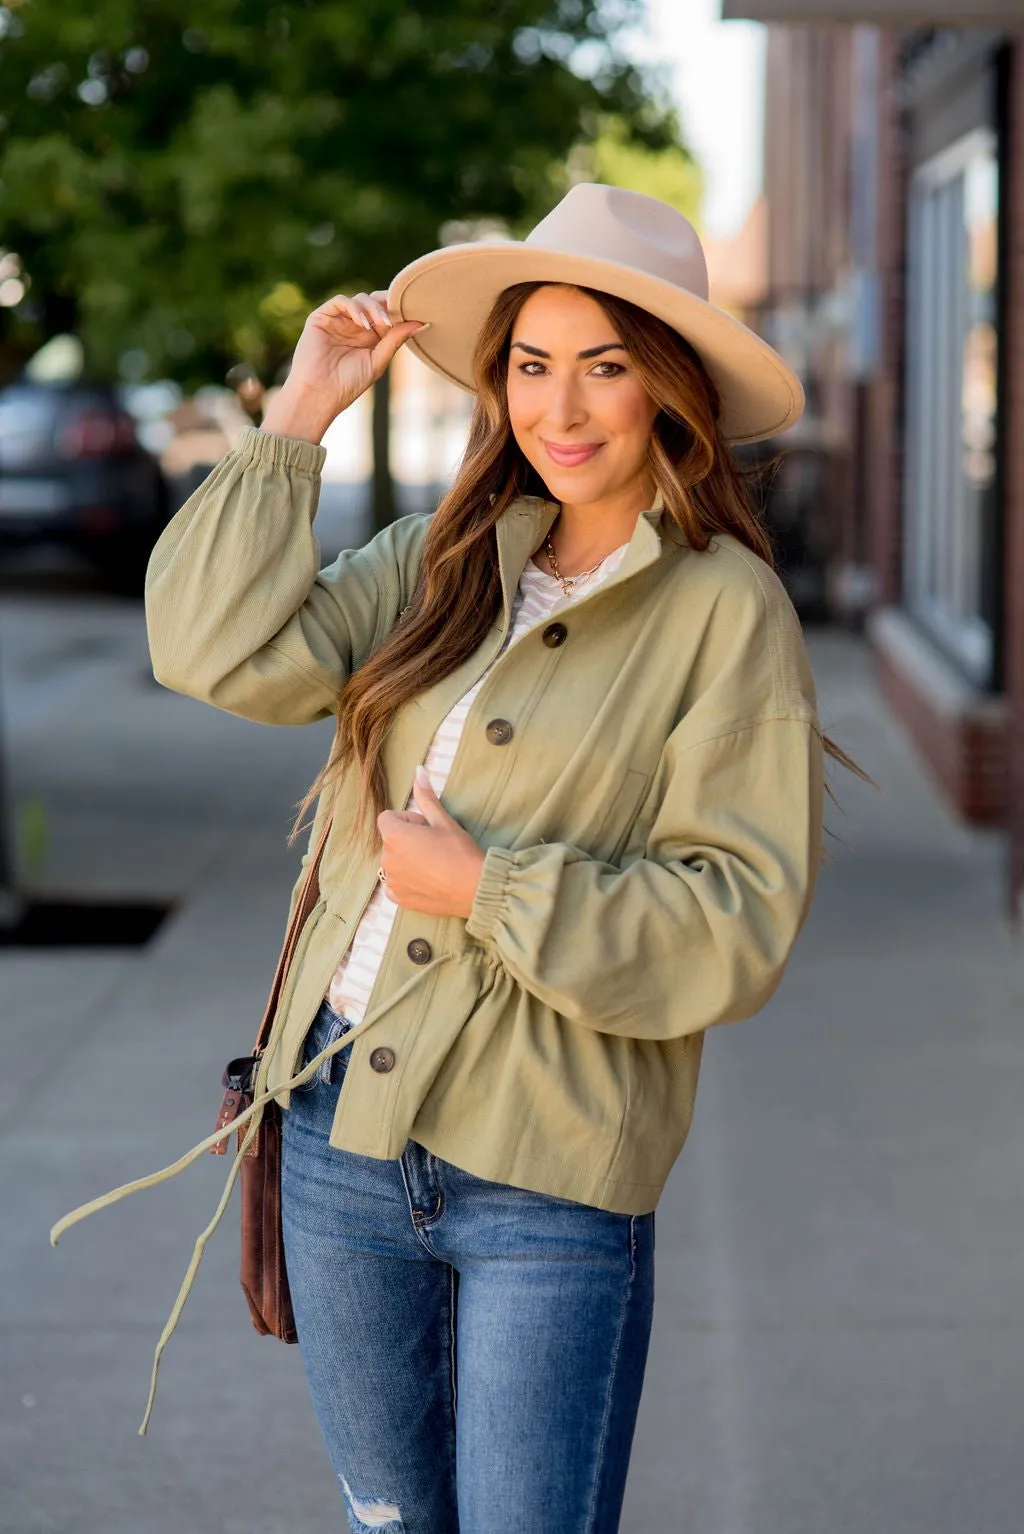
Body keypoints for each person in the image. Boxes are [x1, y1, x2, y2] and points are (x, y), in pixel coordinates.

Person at [53, 183, 868, 1532]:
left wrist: (490, 888)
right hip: (334, 1143)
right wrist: (296, 420)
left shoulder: (727, 610)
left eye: (604, 367)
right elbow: (211, 651)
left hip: (548, 1174)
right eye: (532, 367)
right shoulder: (443, 557)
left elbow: (737, 922)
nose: (560, 407)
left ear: (668, 388)